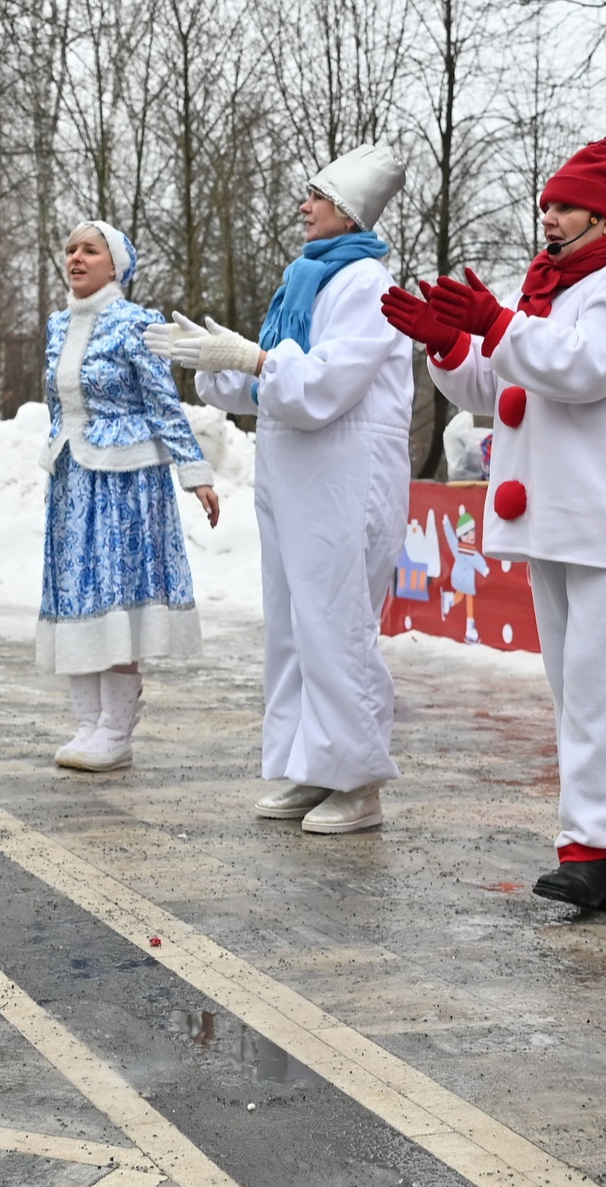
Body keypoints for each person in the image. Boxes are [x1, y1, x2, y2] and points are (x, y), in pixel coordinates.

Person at [385, 138, 606, 910]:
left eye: (563, 205)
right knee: (587, 689)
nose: (549, 218)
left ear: (604, 213)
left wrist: (495, 322)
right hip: (573, 519)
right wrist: (446, 343)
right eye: (547, 205)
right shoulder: (551, 293)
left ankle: (591, 853)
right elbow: (500, 382)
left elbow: (582, 368)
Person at [150, 145, 412, 835]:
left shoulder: (366, 283)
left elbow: (323, 384)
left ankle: (357, 779)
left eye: (316, 196)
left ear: (348, 209)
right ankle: (312, 763)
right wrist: (217, 362)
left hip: (344, 475)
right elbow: (267, 384)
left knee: (336, 625)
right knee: (294, 628)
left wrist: (254, 358)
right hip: (295, 474)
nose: (304, 205)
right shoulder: (305, 279)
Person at [38, 222, 219, 772]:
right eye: (70, 249)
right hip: (74, 477)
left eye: (89, 250)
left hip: (126, 480)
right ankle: (88, 724)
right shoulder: (57, 325)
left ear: (115, 265)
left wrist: (195, 471)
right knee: (75, 594)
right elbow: (57, 404)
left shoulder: (137, 323)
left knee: (116, 593)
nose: (76, 258)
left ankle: (116, 731)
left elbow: (164, 403)